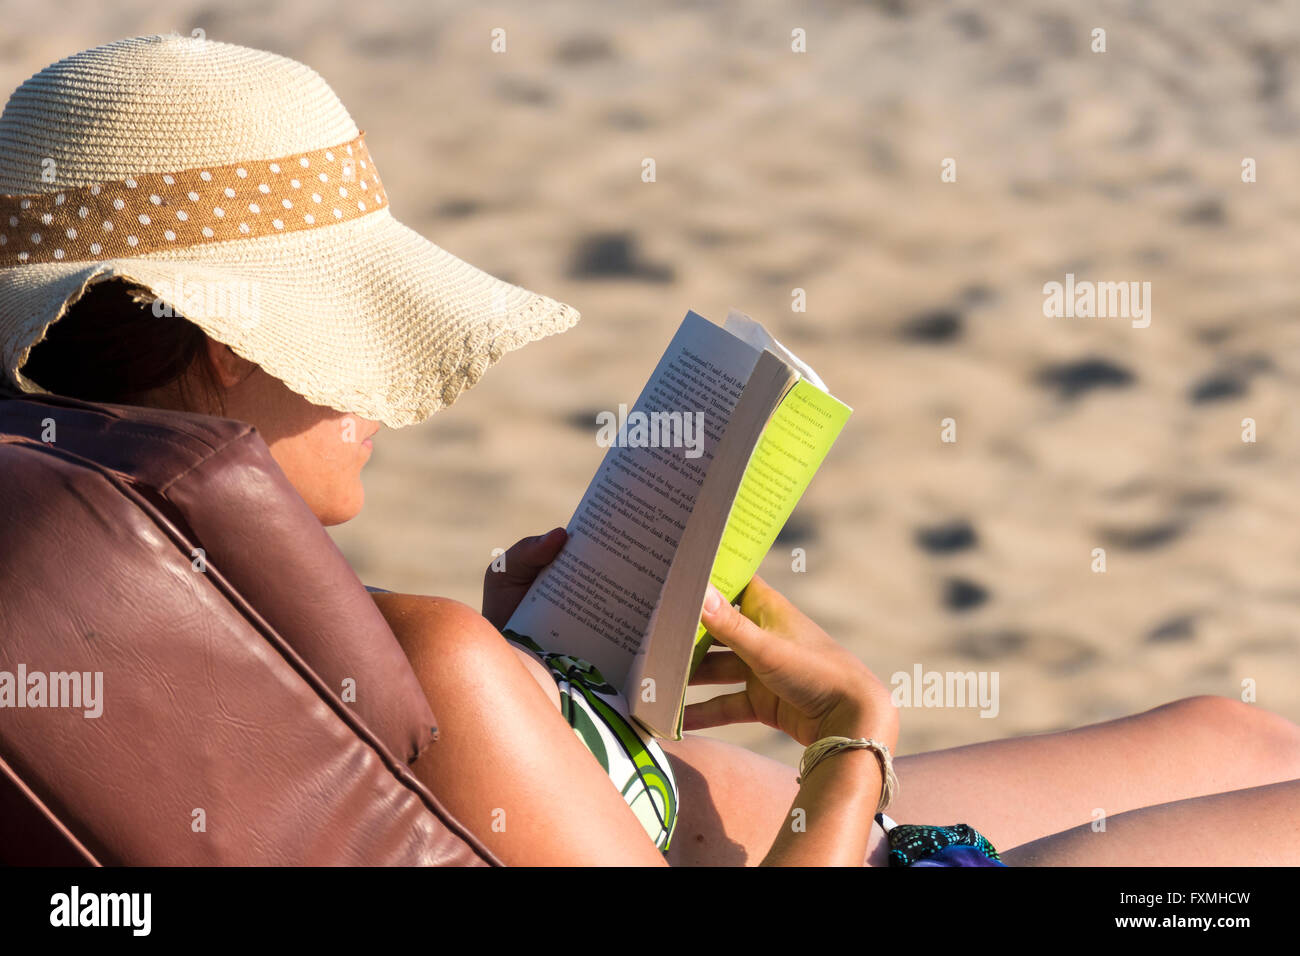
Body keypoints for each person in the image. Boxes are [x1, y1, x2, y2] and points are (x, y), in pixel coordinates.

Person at [4, 36, 1298, 867]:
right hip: (831, 848)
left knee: (1236, 733)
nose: (379, 408)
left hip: (760, 830)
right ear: (229, 341)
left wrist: (551, 688)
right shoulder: (413, 653)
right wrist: (855, 737)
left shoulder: (129, 578)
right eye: (353, 348)